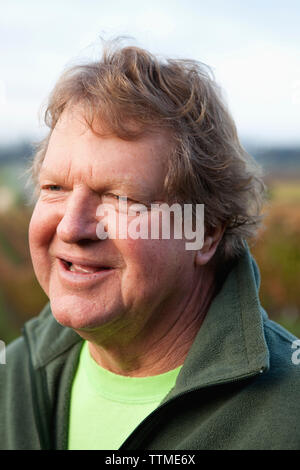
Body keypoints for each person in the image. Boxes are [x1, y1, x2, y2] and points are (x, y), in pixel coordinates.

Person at [0, 41, 299, 451]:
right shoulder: (14, 375)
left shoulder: (288, 414)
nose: (71, 227)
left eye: (120, 198)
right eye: (54, 188)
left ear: (205, 231)